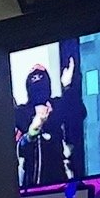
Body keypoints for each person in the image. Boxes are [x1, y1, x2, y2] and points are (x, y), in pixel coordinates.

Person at [15, 58, 85, 190]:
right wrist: (34, 129)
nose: (37, 78)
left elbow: (79, 113)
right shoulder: (21, 113)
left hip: (59, 181)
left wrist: (68, 86)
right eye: (34, 77)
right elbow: (19, 148)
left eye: (41, 76)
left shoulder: (58, 106)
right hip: (32, 185)